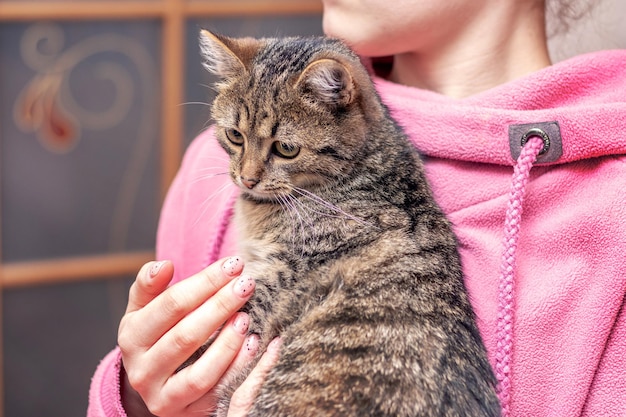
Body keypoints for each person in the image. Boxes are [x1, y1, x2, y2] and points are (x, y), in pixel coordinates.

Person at [88, 0, 626, 415]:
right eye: (237, 143)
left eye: (282, 149)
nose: (246, 173)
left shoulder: (611, 204)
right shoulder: (215, 158)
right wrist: (141, 398)